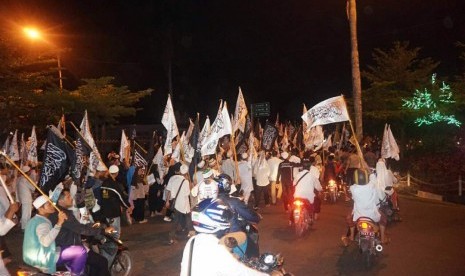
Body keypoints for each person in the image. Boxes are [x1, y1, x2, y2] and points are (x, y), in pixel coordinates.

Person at [49, 189, 112, 276]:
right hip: (70, 247)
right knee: (102, 262)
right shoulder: (63, 214)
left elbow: (77, 226)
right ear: (60, 201)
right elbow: (80, 229)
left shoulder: (56, 212)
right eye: (68, 197)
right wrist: (102, 230)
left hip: (66, 245)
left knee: (95, 265)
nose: (71, 198)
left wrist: (91, 226)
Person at [23, 195, 87, 275]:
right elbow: (46, 242)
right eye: (49, 204)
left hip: (34, 255)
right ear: (40, 208)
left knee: (67, 249)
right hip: (42, 257)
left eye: (52, 203)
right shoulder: (42, 223)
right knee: (80, 251)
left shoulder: (34, 220)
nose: (53, 205)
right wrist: (59, 222)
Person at [342, 169, 388, 246]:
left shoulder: (353, 188)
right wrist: (371, 172)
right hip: (372, 216)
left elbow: (350, 195)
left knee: (349, 218)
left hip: (358, 217)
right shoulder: (372, 186)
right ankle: (383, 239)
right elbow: (373, 179)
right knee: (383, 219)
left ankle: (352, 237)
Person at [100, 165, 132, 238]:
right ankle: (115, 246)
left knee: (109, 229)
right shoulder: (114, 184)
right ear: (117, 173)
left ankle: (110, 244)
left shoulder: (104, 183)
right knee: (115, 231)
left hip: (105, 209)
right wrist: (128, 206)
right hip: (113, 210)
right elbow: (121, 197)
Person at [165, 164, 193, 245]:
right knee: (188, 219)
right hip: (184, 204)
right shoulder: (186, 181)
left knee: (175, 221)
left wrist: (167, 201)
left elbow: (169, 191)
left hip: (176, 204)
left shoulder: (172, 178)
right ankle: (190, 235)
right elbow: (187, 193)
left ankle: (171, 238)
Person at [292, 157, 323, 223]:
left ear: (302, 167)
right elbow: (318, 187)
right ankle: (313, 216)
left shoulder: (298, 175)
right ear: (309, 167)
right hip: (308, 197)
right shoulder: (312, 176)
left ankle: (290, 220)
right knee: (317, 200)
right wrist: (321, 189)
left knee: (293, 206)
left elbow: (294, 183)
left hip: (297, 196)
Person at [15, 165, 36, 231]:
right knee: (26, 214)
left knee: (25, 213)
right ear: (27, 172)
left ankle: (22, 224)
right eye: (29, 171)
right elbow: (33, 188)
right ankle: (24, 227)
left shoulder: (19, 179)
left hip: (22, 198)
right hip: (26, 199)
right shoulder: (24, 179)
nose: (30, 172)